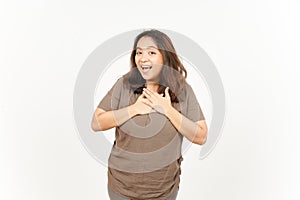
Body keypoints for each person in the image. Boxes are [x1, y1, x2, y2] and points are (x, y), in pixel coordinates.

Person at [91, 29, 208, 200]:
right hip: (121, 187)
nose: (143, 58)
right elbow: (96, 123)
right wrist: (134, 109)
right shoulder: (124, 84)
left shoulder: (182, 90)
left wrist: (168, 110)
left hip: (163, 190)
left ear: (165, 57)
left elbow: (201, 136)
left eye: (151, 52)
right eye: (139, 52)